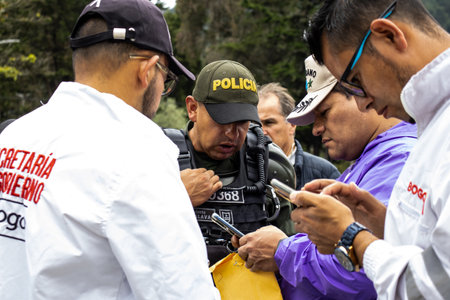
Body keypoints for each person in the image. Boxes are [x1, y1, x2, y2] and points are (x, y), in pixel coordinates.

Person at [0, 0, 219, 299]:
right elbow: (182, 290)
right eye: (165, 78)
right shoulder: (139, 152)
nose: (161, 89)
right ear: (147, 69)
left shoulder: (15, 135)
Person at [290, 0, 450, 299]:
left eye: (355, 81)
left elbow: (434, 287)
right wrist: (381, 221)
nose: (363, 103)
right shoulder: (431, 122)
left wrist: (352, 238)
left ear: (389, 36)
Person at [233, 55, 417, 299]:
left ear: (364, 94)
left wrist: (282, 251)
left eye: (324, 112)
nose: (317, 128)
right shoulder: (373, 159)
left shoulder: (397, 159)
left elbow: (366, 269)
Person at [163, 60, 296, 265]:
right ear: (192, 109)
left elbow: (292, 256)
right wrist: (173, 196)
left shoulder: (270, 163)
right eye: (222, 120)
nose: (232, 133)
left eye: (242, 122)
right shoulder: (160, 157)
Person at [257, 82, 340, 189]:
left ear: (292, 124)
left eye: (269, 123)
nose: (261, 131)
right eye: (256, 124)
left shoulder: (323, 173)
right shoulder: (242, 170)